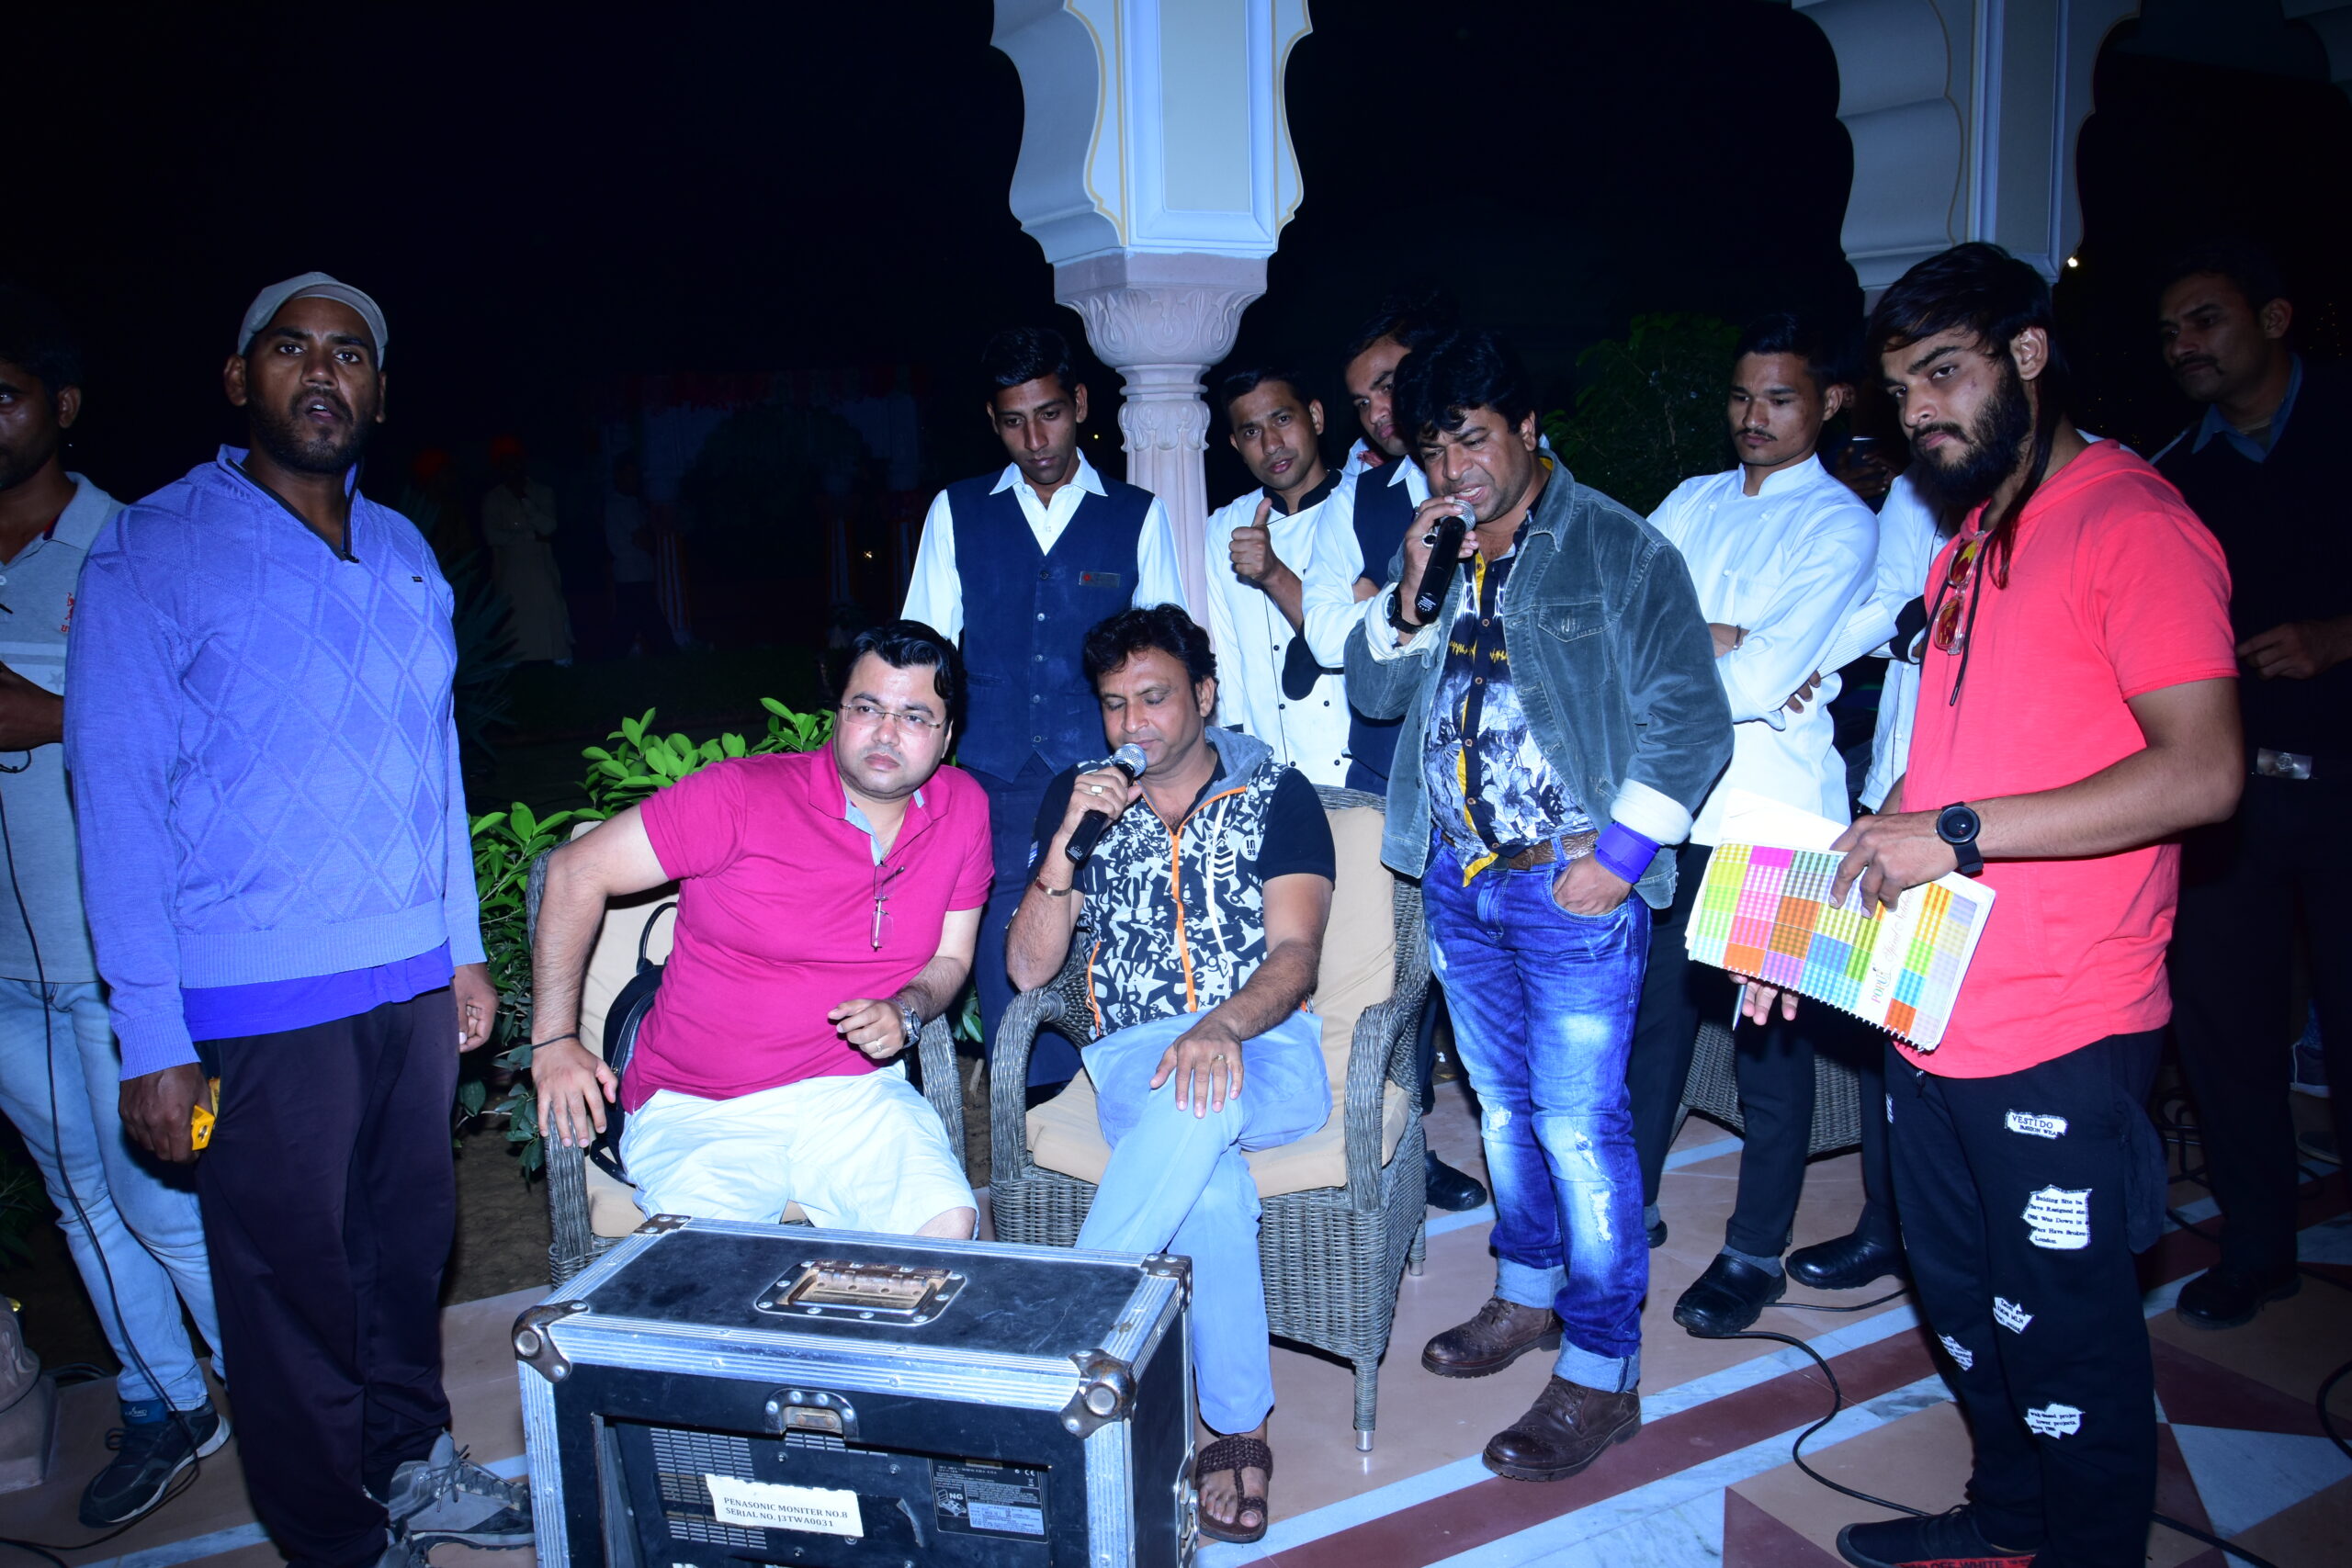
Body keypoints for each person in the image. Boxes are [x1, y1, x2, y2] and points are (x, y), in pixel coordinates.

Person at [1736, 243, 2243, 1568]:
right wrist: (1810, 932)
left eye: (1945, 373)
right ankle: (2009, 1520)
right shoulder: (1969, 539)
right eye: (1903, 388)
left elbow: (2204, 770)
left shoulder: (2133, 523)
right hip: (1933, 1004)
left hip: (2062, 1020)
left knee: (2069, 1338)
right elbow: (1938, 770)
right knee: (1962, 1305)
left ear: (2027, 354)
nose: (1921, 413)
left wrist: (1954, 835)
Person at [67, 273, 531, 1568]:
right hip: (257, 1004)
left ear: (379, 394)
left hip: (409, 987)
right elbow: (116, 800)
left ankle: (413, 1464)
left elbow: (433, 764)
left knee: (405, 1258)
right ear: (239, 378)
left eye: (349, 354)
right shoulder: (153, 551)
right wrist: (151, 1036)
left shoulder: (407, 551)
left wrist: (461, 948)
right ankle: (334, 1537)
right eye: (291, 348)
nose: (322, 372)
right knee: (291, 1293)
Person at [1344, 329, 1733, 1483]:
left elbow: (1689, 719)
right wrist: (1409, 589)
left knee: (1576, 1127)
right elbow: (1373, 691)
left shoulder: (1616, 546)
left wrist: (1619, 857)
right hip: (1461, 880)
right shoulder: (1447, 554)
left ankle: (1603, 1369)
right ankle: (1525, 1291)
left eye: (1471, 440)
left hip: (1568, 887)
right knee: (1505, 1114)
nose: (1452, 470)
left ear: (1525, 428)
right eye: (1432, 450)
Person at [1006, 604, 1333, 1544]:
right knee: (1213, 1188)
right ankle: (1235, 1431)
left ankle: (1072, 1326)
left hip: (1267, 1044)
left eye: (1154, 697)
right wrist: (1067, 844)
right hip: (1134, 1054)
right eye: (1115, 704)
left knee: (1203, 1092)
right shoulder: (1080, 797)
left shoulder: (1277, 793)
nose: (1133, 723)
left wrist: (1221, 1027)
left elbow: (1297, 955)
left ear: (1205, 694)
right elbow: (1028, 971)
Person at [0, 287, 228, 1526]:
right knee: (81, 1200)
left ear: (63, 406)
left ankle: (279, 1391)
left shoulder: (134, 545)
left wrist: (42, 712)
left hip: (117, 959)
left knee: (164, 1197)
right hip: (4, 963)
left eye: (4, 395)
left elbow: (211, 734)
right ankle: (164, 1401)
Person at [527, 621, 984, 1237]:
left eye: (914, 717)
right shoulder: (739, 797)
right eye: (867, 707)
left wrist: (906, 1009)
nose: (885, 732)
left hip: (856, 1095)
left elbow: (951, 960)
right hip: (702, 1106)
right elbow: (574, 871)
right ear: (837, 713)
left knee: (947, 1227)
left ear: (947, 735)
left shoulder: (963, 807)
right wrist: (554, 1039)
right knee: (720, 1267)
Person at [1629, 313, 1883, 1332]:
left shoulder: (1838, 522)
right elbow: (1614, 616)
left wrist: (1720, 647)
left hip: (1774, 822)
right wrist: (1722, 635)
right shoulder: (1690, 499)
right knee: (1648, 1027)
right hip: (1669, 806)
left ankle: (1753, 1251)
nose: (1754, 416)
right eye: (1741, 396)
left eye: (1779, 398)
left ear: (1829, 402)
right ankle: (1631, 1207)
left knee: (1767, 1047)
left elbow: (1764, 679)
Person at [2150, 240, 2352, 1329]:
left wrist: (2339, 636)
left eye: (2205, 320)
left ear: (2273, 319)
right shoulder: (2175, 476)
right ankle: (2258, 1246)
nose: (2183, 345)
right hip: (2232, 798)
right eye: (2170, 330)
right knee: (2224, 1032)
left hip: (2345, 781)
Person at [900, 326, 1188, 1085]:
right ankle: (1026, 1110)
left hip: (1105, 776)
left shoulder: (1136, 514)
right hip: (990, 776)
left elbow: (1166, 658)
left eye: (1051, 414)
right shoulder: (957, 511)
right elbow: (923, 657)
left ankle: (1119, 1098)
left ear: (1080, 404)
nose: (1035, 440)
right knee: (1006, 940)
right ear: (993, 423)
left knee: (1111, 936)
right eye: (1014, 421)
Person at [1296, 291, 1488, 1213]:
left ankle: (1521, 1150)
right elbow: (1328, 630)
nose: (1377, 412)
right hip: (1385, 768)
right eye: (1362, 399)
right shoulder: (1359, 496)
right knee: (1394, 975)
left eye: (1387, 386)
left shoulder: (1494, 477)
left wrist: (1381, 597)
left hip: (1486, 779)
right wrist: (1393, 596)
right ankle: (1406, 1149)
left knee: (1477, 980)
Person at [1199, 367, 1351, 784]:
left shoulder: (1364, 504)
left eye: (1282, 419)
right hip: (1270, 771)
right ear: (1236, 445)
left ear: (1315, 417)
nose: (1271, 444)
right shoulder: (1224, 525)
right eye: (1251, 432)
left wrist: (1272, 571)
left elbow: (1362, 645)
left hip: (1361, 766)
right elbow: (1226, 655)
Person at [481, 432, 572, 664]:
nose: (512, 468)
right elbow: (492, 535)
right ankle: (512, 665)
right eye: (505, 462)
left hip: (541, 571)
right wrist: (530, 535)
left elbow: (549, 527)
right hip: (511, 573)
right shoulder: (493, 499)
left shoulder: (542, 493)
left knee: (549, 612)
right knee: (515, 619)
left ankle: (560, 660)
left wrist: (524, 499)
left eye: (515, 461)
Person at [604, 452, 675, 658]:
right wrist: (650, 537)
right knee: (649, 623)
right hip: (631, 575)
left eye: (635, 475)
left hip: (638, 574)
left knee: (628, 625)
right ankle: (672, 656)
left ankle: (609, 662)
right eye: (629, 474)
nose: (633, 479)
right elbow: (644, 539)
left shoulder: (632, 503)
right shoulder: (618, 505)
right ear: (619, 476)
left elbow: (648, 539)